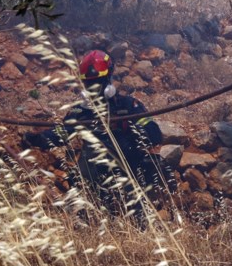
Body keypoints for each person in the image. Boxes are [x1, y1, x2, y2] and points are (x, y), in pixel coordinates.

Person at [24, 49, 166, 213]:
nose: (93, 88)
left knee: (153, 164)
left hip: (129, 171)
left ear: (108, 79)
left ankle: (149, 208)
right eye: (89, 84)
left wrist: (135, 128)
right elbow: (60, 135)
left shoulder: (128, 105)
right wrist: (36, 138)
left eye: (97, 83)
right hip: (95, 174)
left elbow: (154, 135)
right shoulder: (80, 112)